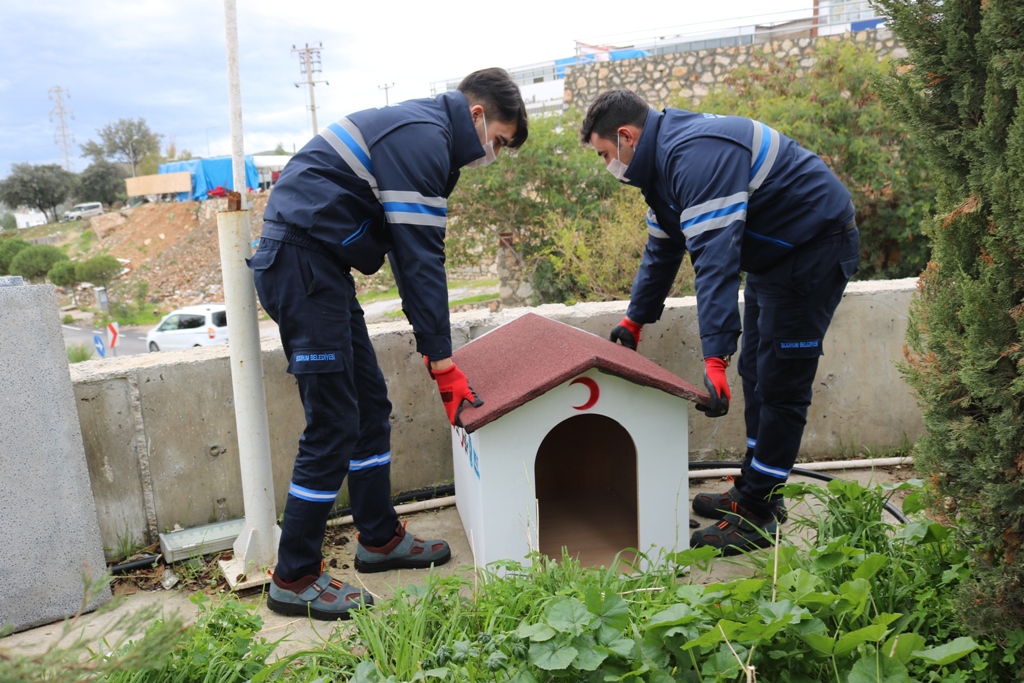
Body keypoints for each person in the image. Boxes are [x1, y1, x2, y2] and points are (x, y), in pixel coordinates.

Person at [248, 68, 528, 619]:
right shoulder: (424, 139)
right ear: (476, 114)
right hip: (301, 263)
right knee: (332, 421)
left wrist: (436, 351)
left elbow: (409, 252)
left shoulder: (429, 136)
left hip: (321, 266)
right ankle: (294, 575)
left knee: (370, 405)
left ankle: (378, 538)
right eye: (496, 140)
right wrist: (443, 363)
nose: (491, 155)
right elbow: (420, 258)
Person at [583, 89, 859, 556]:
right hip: (776, 259)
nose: (607, 164)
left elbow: (714, 260)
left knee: (781, 381)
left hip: (815, 248)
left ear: (627, 136)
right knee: (756, 370)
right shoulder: (662, 170)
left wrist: (714, 356)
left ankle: (759, 511)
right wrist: (634, 320)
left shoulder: (694, 156)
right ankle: (755, 486)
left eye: (606, 154)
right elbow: (662, 251)